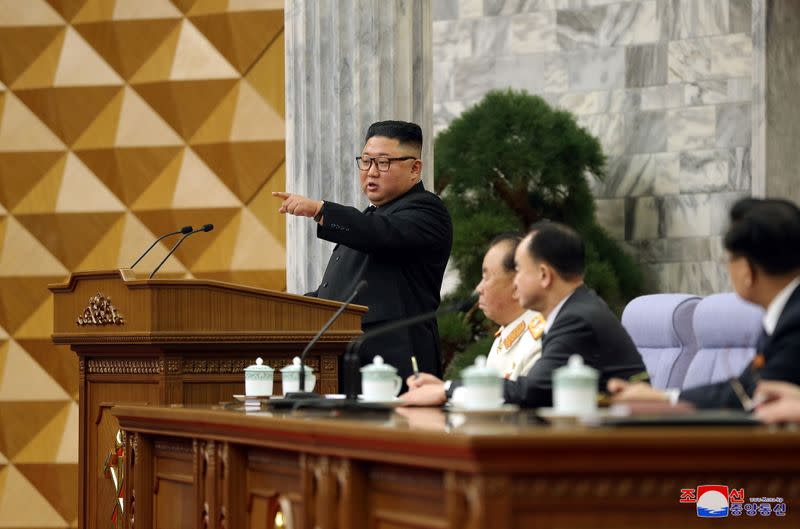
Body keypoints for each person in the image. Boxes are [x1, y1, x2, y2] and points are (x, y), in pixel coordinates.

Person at [273, 120, 453, 382]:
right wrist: (287, 309)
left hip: (396, 364)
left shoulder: (426, 211)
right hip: (349, 360)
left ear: (415, 168)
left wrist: (320, 210)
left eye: (383, 163)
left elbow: (380, 232)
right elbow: (338, 293)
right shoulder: (367, 221)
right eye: (366, 161)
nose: (371, 171)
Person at [401, 222, 646, 407]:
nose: (514, 283)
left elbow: (532, 391)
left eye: (519, 271)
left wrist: (447, 389)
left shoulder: (576, 318)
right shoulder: (574, 309)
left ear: (544, 275)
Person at [608, 198, 800, 408]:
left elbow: (756, 394)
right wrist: (661, 396)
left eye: (727, 260)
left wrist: (664, 398)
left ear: (746, 270)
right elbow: (745, 387)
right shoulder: (783, 314)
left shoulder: (794, 321)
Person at [477, 233, 543, 381]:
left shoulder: (538, 341)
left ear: (516, 287)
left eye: (486, 278)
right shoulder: (506, 333)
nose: (478, 288)